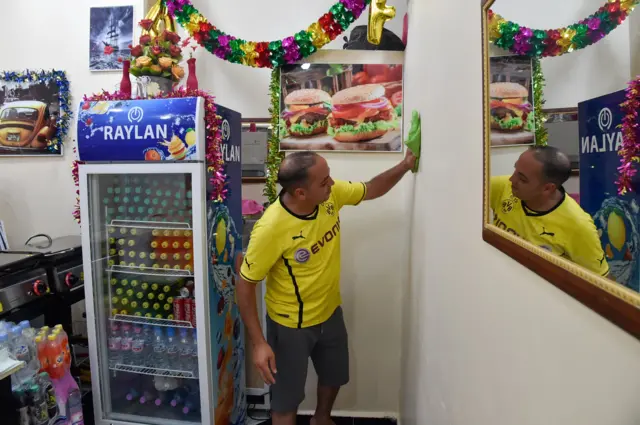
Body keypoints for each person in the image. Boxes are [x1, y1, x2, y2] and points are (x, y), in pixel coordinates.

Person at [237, 149, 416, 425]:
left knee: (334, 376)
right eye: (324, 181)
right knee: (286, 400)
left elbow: (370, 189)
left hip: (330, 311)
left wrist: (405, 165)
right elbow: (245, 284)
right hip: (290, 325)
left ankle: (321, 419)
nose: (331, 184)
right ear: (300, 193)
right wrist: (259, 343)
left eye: (329, 177)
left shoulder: (330, 196)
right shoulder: (271, 228)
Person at [491, 145, 609, 276]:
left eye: (522, 179)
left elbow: (602, 283)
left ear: (547, 188)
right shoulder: (504, 187)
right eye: (515, 171)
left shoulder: (578, 226)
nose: (512, 179)